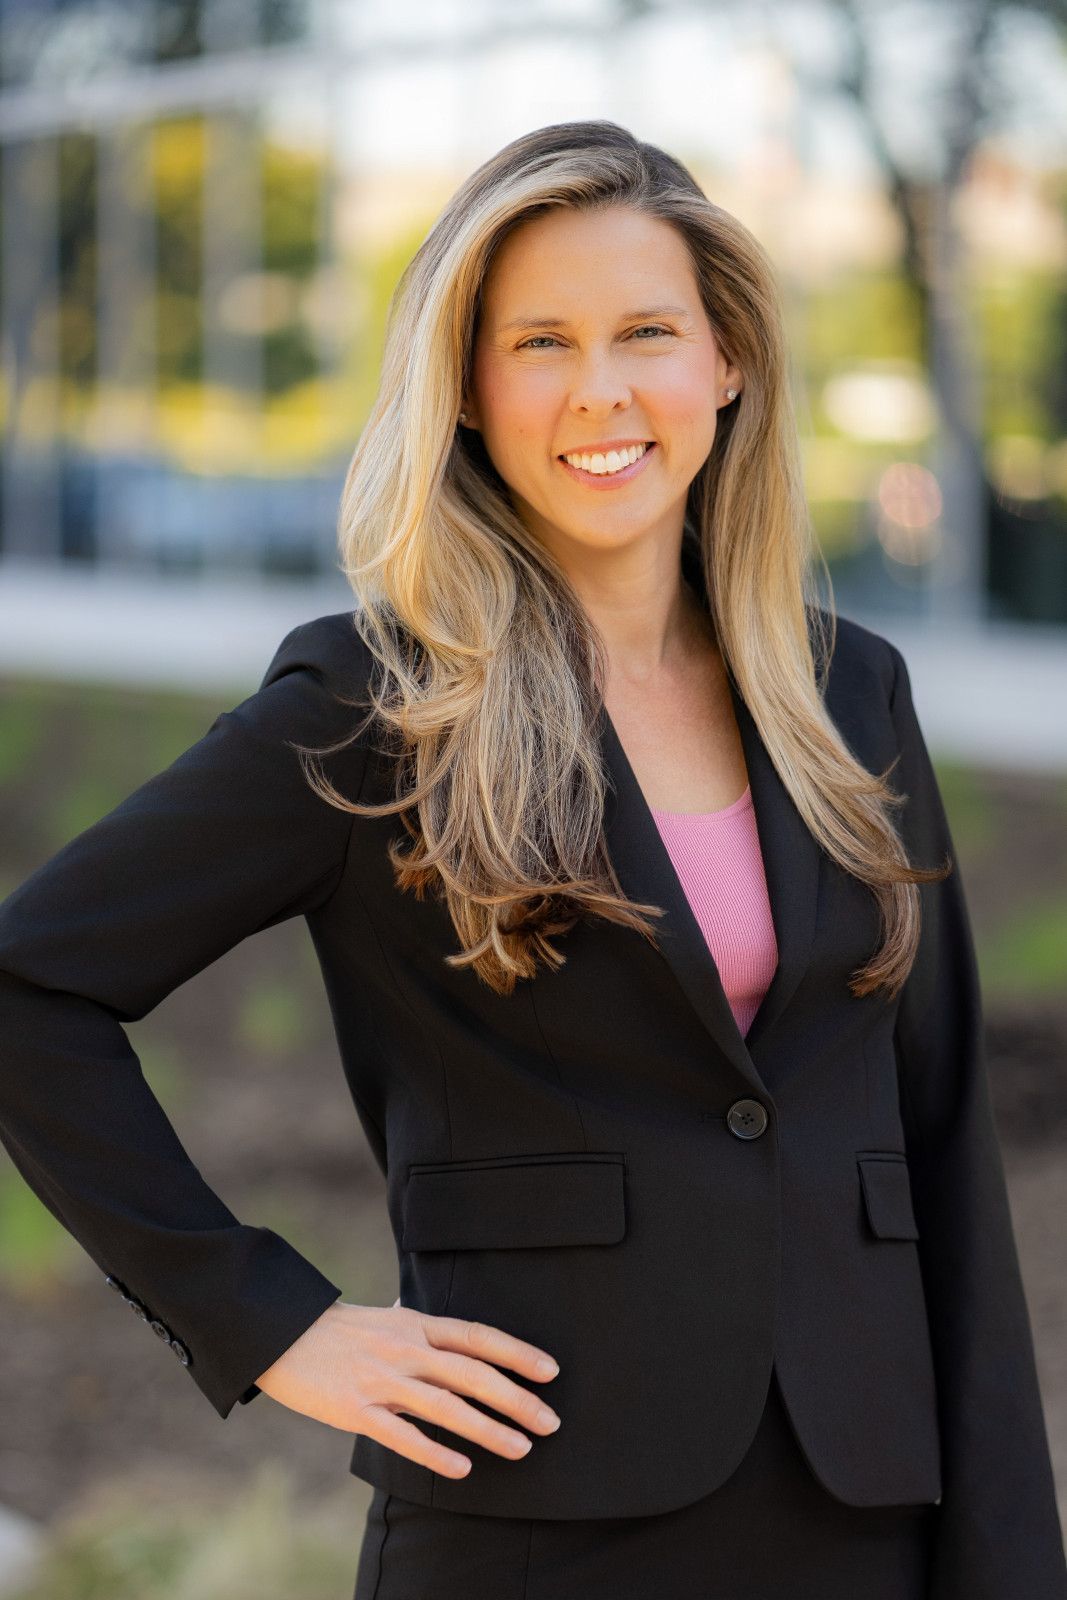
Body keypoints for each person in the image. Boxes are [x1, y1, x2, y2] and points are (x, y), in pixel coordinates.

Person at [0, 120, 1064, 1600]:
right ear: (471, 390)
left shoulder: (853, 696)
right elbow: (29, 990)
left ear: (728, 363)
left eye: (647, 332)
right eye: (541, 343)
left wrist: (1006, 1561)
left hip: (863, 1514)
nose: (601, 390)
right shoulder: (376, 708)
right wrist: (268, 1322)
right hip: (535, 1523)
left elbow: (942, 1144)